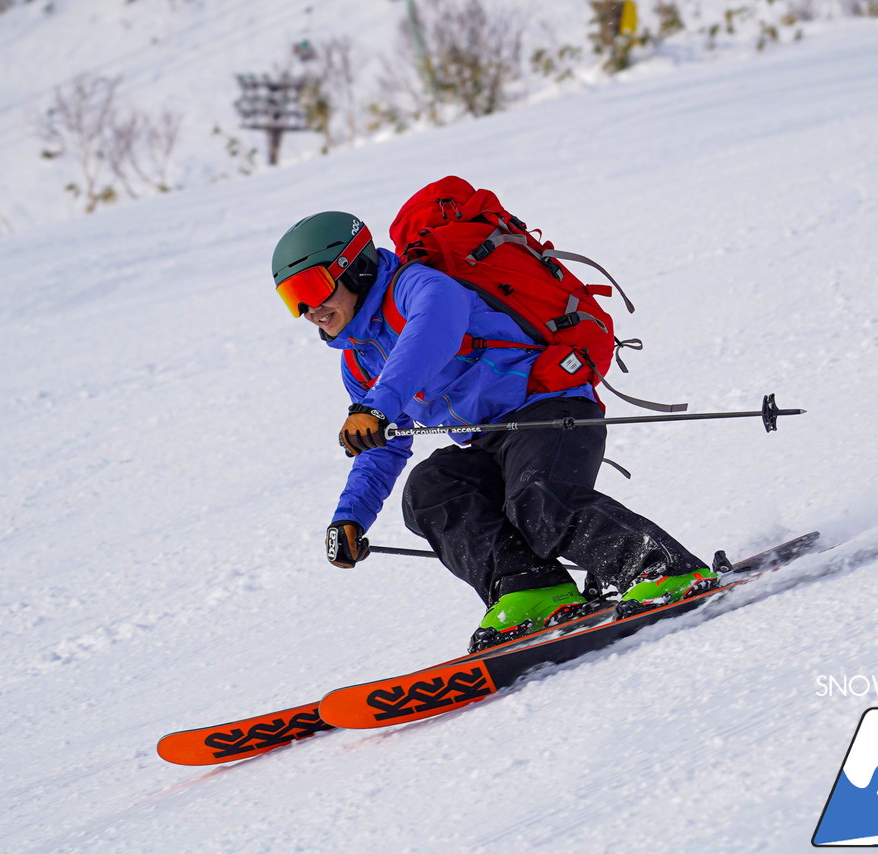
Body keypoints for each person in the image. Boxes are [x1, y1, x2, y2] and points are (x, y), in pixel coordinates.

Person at [272, 210, 718, 653]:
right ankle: (532, 589)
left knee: (537, 495)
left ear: (357, 268)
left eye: (312, 288)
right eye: (294, 299)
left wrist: (378, 404)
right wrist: (351, 515)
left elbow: (433, 331)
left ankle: (663, 570)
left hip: (550, 406)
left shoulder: (417, 287)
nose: (309, 311)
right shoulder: (358, 358)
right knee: (431, 490)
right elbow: (382, 444)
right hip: (488, 439)